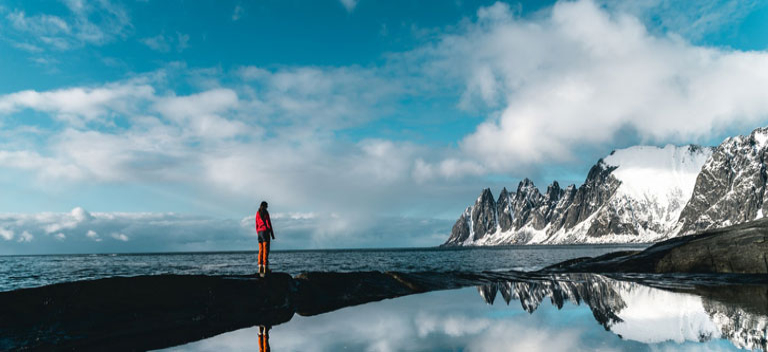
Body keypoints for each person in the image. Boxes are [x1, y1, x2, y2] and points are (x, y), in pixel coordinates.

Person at [255, 201, 275, 276]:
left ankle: (260, 267)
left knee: (260, 250)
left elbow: (256, 224)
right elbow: (268, 223)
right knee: (266, 250)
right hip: (265, 232)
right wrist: (272, 234)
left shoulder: (257, 213)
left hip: (259, 233)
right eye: (267, 206)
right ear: (265, 206)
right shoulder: (265, 212)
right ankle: (265, 268)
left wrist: (258, 233)